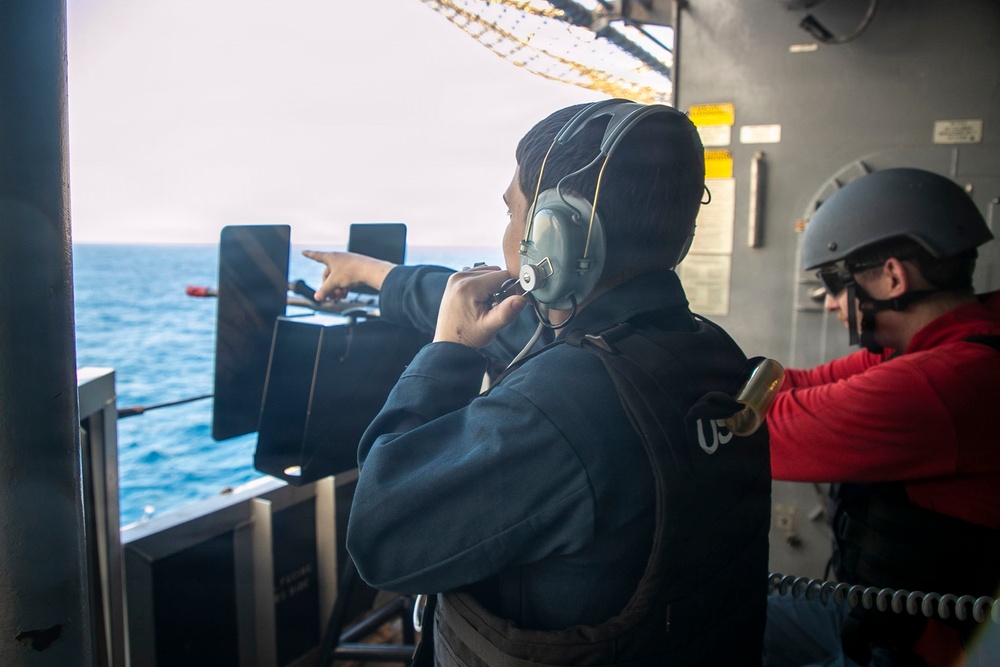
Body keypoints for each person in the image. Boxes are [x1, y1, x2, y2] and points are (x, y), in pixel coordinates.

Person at [304, 99, 772, 665]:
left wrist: (447, 352)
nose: (506, 234)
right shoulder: (705, 350)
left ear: (558, 237)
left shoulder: (561, 408)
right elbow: (499, 314)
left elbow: (380, 539)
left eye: (512, 213)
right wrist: (371, 274)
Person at [763, 168, 1000, 667]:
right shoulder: (939, 346)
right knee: (730, 616)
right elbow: (798, 385)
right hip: (874, 620)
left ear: (893, 277)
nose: (829, 303)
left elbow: (765, 430)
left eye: (835, 283)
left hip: (919, 652)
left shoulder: (945, 381)